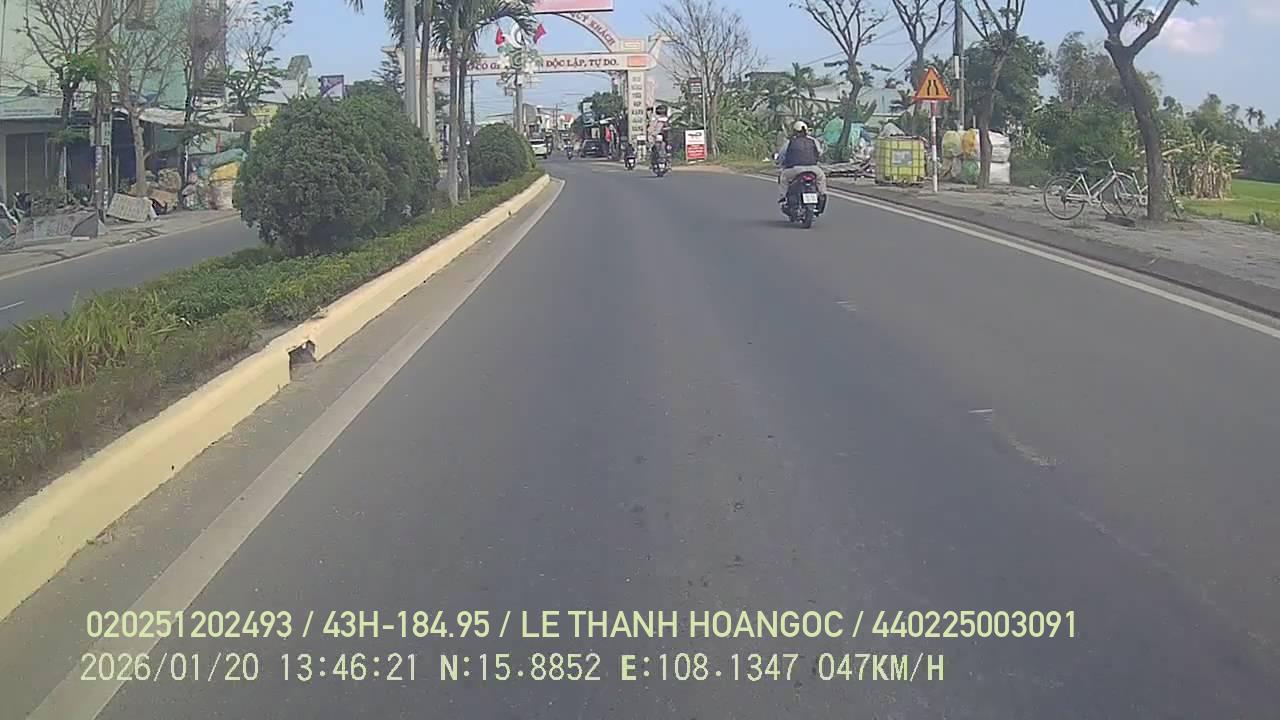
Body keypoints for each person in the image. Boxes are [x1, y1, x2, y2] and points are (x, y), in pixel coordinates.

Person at [777, 120, 828, 203]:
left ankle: (783, 197)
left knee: (783, 177)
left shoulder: (790, 142)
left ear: (794, 131)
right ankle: (822, 194)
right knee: (821, 177)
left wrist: (779, 162)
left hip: (795, 169)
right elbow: (819, 152)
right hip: (813, 169)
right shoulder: (813, 141)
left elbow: (782, 155)